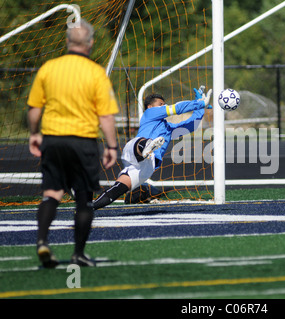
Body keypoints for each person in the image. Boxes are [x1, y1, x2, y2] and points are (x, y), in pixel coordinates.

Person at [27, 19, 119, 268]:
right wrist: (111, 146)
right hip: (83, 141)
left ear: (67, 42)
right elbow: (106, 116)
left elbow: (35, 107)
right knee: (84, 199)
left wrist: (34, 133)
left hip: (53, 139)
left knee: (52, 193)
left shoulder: (49, 67)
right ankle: (78, 253)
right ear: (90, 43)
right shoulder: (96, 73)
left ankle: (42, 242)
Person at [93, 87, 212, 210]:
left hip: (148, 165)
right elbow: (177, 108)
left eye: (164, 105)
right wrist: (201, 102)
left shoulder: (169, 129)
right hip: (134, 150)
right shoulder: (149, 114)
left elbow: (191, 125)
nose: (163, 106)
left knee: (118, 189)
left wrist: (200, 108)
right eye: (161, 104)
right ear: (150, 106)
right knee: (142, 143)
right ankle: (147, 146)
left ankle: (91, 207)